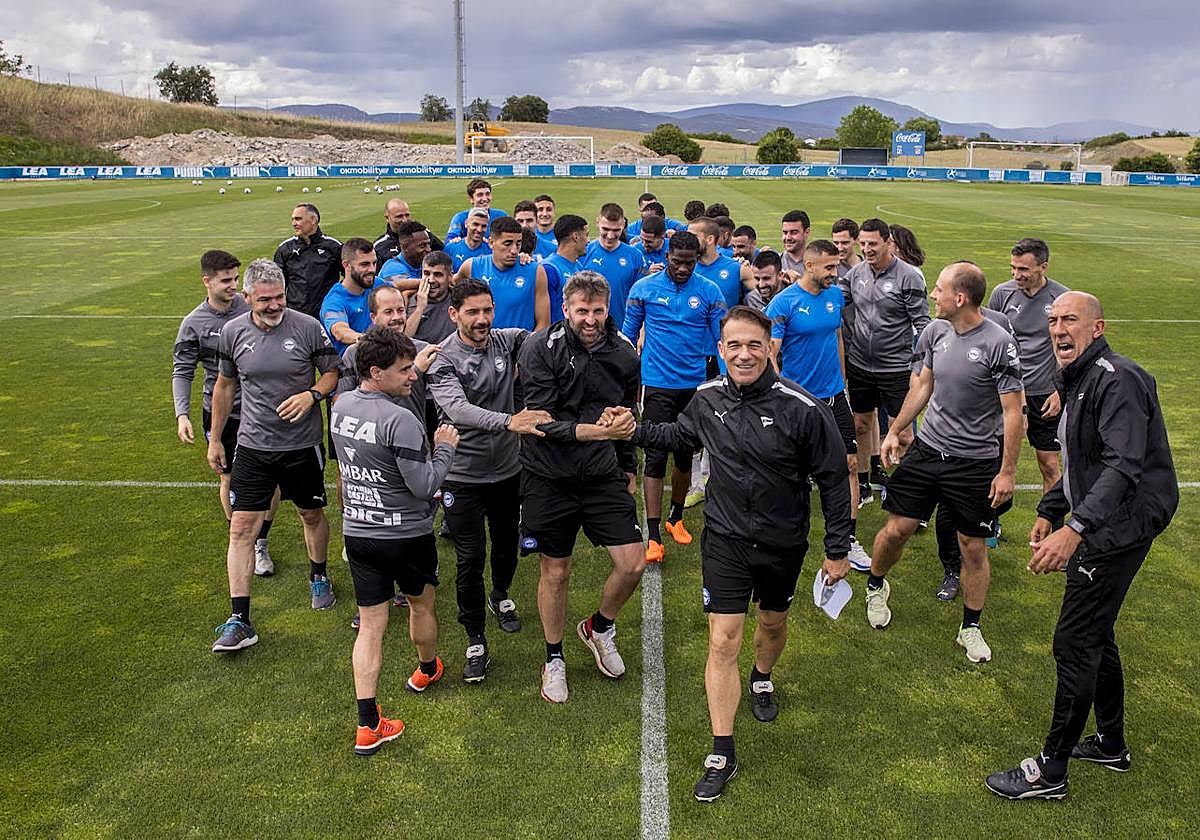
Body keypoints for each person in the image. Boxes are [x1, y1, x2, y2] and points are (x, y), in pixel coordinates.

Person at [612, 305, 852, 802]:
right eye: (734, 346)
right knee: (723, 641)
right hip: (724, 540)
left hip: (782, 542)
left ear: (769, 349)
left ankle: (762, 677)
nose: (744, 355)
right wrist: (631, 429)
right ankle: (723, 749)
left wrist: (837, 549)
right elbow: (677, 436)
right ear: (720, 350)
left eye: (753, 345)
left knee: (772, 625)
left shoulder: (804, 408)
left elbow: (833, 480)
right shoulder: (706, 399)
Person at [985, 291, 1178, 801]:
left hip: (1120, 525)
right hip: (1106, 518)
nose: (1057, 329)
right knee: (1096, 631)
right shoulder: (1079, 375)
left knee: (1074, 641)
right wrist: (1052, 508)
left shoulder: (1118, 379)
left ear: (1097, 328)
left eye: (1069, 319)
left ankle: (1051, 771)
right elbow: (1082, 459)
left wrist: (1076, 529)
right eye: (1053, 320)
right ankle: (1111, 743)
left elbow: (1122, 465)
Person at [863, 262, 1024, 664]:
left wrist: (1006, 472)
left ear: (960, 298)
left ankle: (970, 627)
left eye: (939, 289)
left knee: (972, 547)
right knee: (896, 530)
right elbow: (923, 386)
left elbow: (1013, 412)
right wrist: (895, 430)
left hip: (975, 462)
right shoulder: (935, 332)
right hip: (928, 451)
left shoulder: (998, 343)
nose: (933, 295)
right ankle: (876, 587)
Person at [517, 271, 645, 703]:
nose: (590, 319)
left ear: (608, 308)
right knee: (556, 571)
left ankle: (599, 627)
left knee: (633, 564)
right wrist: (600, 433)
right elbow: (541, 423)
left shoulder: (624, 352)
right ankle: (554, 657)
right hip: (548, 476)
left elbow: (626, 413)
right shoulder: (539, 348)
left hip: (602, 473)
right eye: (582, 311)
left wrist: (626, 463)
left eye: (598, 311)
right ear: (566, 308)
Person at [331, 326, 459, 755]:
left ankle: (367, 723)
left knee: (370, 626)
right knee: (422, 605)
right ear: (375, 372)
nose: (413, 376)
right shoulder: (401, 419)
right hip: (405, 534)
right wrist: (445, 448)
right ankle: (427, 669)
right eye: (404, 370)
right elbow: (425, 486)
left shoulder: (342, 406)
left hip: (359, 532)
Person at [207, 259, 342, 652]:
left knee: (310, 514)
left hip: (302, 445)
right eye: (265, 299)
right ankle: (240, 619)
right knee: (240, 530)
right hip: (253, 447)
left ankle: (319, 575)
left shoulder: (307, 327)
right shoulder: (233, 332)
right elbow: (224, 386)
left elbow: (332, 373)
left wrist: (311, 395)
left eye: (279, 297)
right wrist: (216, 439)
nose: (274, 305)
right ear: (247, 297)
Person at [426, 280, 553, 682]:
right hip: (462, 476)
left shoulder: (506, 340)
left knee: (506, 544)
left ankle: (500, 595)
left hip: (508, 471)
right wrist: (509, 421)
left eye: (487, 310)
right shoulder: (442, 359)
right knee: (469, 556)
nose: (482, 319)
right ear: (454, 314)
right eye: (472, 312)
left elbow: (544, 339)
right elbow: (458, 410)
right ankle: (475, 636)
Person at [766, 240, 872, 570]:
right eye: (828, 267)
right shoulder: (784, 303)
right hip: (799, 402)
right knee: (790, 471)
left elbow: (837, 338)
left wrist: (842, 383)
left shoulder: (834, 296)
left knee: (850, 464)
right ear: (809, 266)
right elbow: (770, 353)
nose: (834, 272)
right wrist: (780, 393)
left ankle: (848, 539)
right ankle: (782, 534)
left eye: (836, 266)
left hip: (835, 396)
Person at [622, 231, 726, 564]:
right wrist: (622, 376)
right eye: (677, 261)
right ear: (667, 257)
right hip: (656, 384)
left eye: (689, 263)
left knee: (684, 456)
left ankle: (675, 517)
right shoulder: (644, 289)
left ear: (697, 259)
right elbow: (627, 336)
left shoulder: (709, 291)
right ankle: (653, 534)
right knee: (655, 457)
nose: (682, 268)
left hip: (693, 386)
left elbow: (721, 340)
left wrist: (727, 380)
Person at [173, 250, 278, 574]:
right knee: (229, 477)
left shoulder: (252, 309)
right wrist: (181, 414)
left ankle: (260, 541)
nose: (233, 285)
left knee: (272, 480)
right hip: (222, 414)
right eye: (225, 280)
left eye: (235, 279)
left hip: (261, 410)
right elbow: (182, 370)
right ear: (206, 281)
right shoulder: (194, 324)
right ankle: (241, 538)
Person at [840, 219, 929, 498]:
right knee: (861, 425)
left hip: (896, 368)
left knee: (902, 434)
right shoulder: (856, 274)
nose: (867, 249)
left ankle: (908, 490)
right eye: (863, 243)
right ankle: (864, 485)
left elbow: (922, 323)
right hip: (860, 366)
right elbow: (834, 301)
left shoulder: (909, 277)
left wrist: (921, 364)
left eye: (873, 244)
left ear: (888, 242)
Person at [988, 238, 1070, 499]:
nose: (1016, 275)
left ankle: (1052, 519)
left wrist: (1061, 390)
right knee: (994, 461)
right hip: (1006, 393)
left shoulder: (1061, 298)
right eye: (1013, 268)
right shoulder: (1002, 294)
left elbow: (1072, 349)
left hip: (1044, 394)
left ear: (1043, 267)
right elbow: (988, 339)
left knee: (1049, 464)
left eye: (1023, 269)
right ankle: (989, 518)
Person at [455, 216, 549, 332]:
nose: (514, 250)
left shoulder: (535, 271)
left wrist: (529, 343)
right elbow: (450, 287)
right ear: (491, 243)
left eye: (518, 244)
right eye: (507, 244)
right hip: (482, 342)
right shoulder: (471, 267)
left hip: (522, 343)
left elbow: (543, 323)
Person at [273, 203, 343, 318]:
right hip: (295, 315)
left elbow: (350, 277)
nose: (294, 223)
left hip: (326, 314)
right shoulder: (285, 249)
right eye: (293, 220)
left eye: (298, 219)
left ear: (313, 220)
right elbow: (277, 284)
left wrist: (337, 298)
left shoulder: (333, 247)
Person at [584, 203, 645, 331]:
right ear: (597, 222)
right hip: (589, 328)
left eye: (616, 230)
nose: (610, 235)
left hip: (623, 329)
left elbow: (642, 296)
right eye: (605, 229)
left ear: (623, 224)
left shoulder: (635, 256)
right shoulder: (584, 253)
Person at [320, 238, 378, 355]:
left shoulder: (378, 284)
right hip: (351, 362)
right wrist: (371, 341)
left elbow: (397, 286)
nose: (372, 269)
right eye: (364, 264)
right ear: (346, 265)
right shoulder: (334, 301)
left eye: (374, 263)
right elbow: (340, 332)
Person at [690, 216, 753, 309]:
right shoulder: (684, 269)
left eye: (693, 237)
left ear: (710, 239)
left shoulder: (738, 268)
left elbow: (762, 299)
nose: (688, 241)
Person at [542, 214, 589, 323]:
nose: (588, 241)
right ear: (576, 237)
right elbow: (547, 315)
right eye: (586, 235)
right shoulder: (549, 269)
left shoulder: (579, 266)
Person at [373, 198, 446, 269]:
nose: (404, 220)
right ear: (387, 218)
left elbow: (445, 254)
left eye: (407, 215)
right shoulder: (380, 246)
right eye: (399, 216)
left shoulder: (424, 235)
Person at [404, 251, 456, 345]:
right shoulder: (408, 302)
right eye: (426, 273)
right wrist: (419, 309)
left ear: (450, 276)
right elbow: (403, 342)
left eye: (438, 274)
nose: (431, 280)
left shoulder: (459, 301)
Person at [377, 221, 432, 285]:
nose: (429, 249)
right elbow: (401, 285)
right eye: (422, 246)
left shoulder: (421, 264)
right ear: (405, 247)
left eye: (429, 244)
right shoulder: (393, 267)